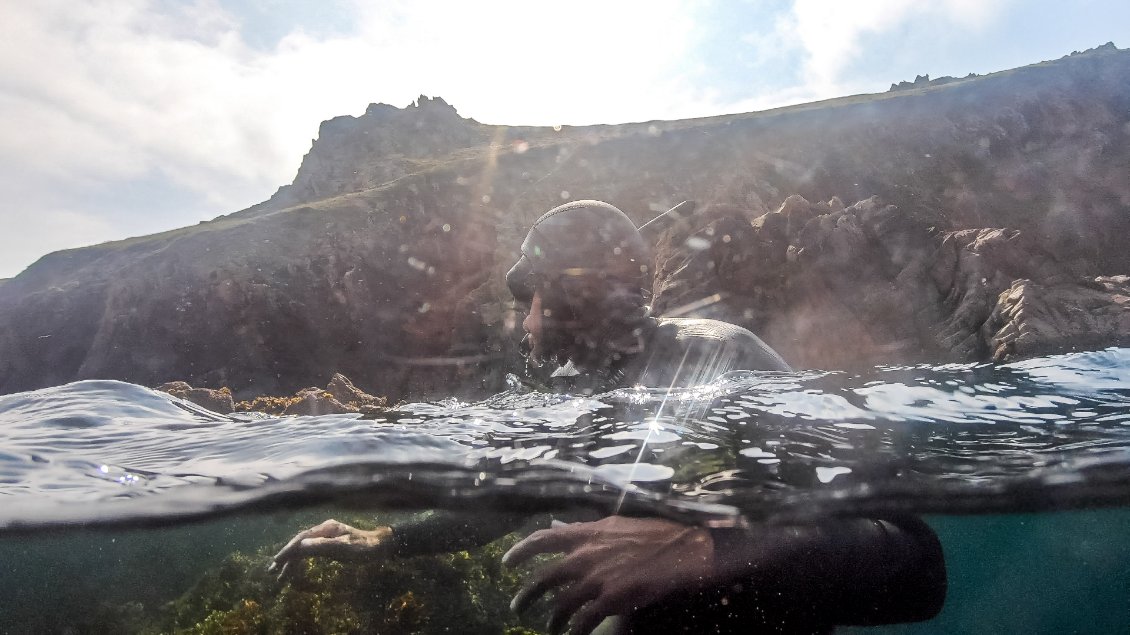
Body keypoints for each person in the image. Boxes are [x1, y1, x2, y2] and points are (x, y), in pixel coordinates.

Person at [270, 200, 946, 633]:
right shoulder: (579, 411)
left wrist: (717, 544)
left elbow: (920, 565)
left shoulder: (717, 359)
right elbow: (494, 512)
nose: (524, 322)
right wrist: (377, 540)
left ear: (572, 299)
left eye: (530, 300)